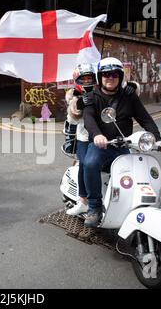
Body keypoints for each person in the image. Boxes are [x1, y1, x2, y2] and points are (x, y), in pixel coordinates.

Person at [82, 57, 161, 228]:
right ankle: (94, 207)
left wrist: (158, 140)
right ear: (100, 77)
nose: (110, 78)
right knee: (90, 163)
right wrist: (98, 135)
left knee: (136, 174)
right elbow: (88, 118)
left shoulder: (129, 96)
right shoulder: (92, 96)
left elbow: (146, 119)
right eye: (106, 74)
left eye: (115, 74)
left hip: (123, 146)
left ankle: (132, 204)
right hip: (101, 146)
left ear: (120, 77)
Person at [64, 63, 96, 216]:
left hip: (106, 135)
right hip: (85, 137)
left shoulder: (102, 90)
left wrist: (131, 87)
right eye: (84, 78)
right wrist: (79, 104)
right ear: (77, 80)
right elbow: (72, 118)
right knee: (85, 163)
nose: (88, 81)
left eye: (90, 77)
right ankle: (83, 201)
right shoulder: (73, 95)